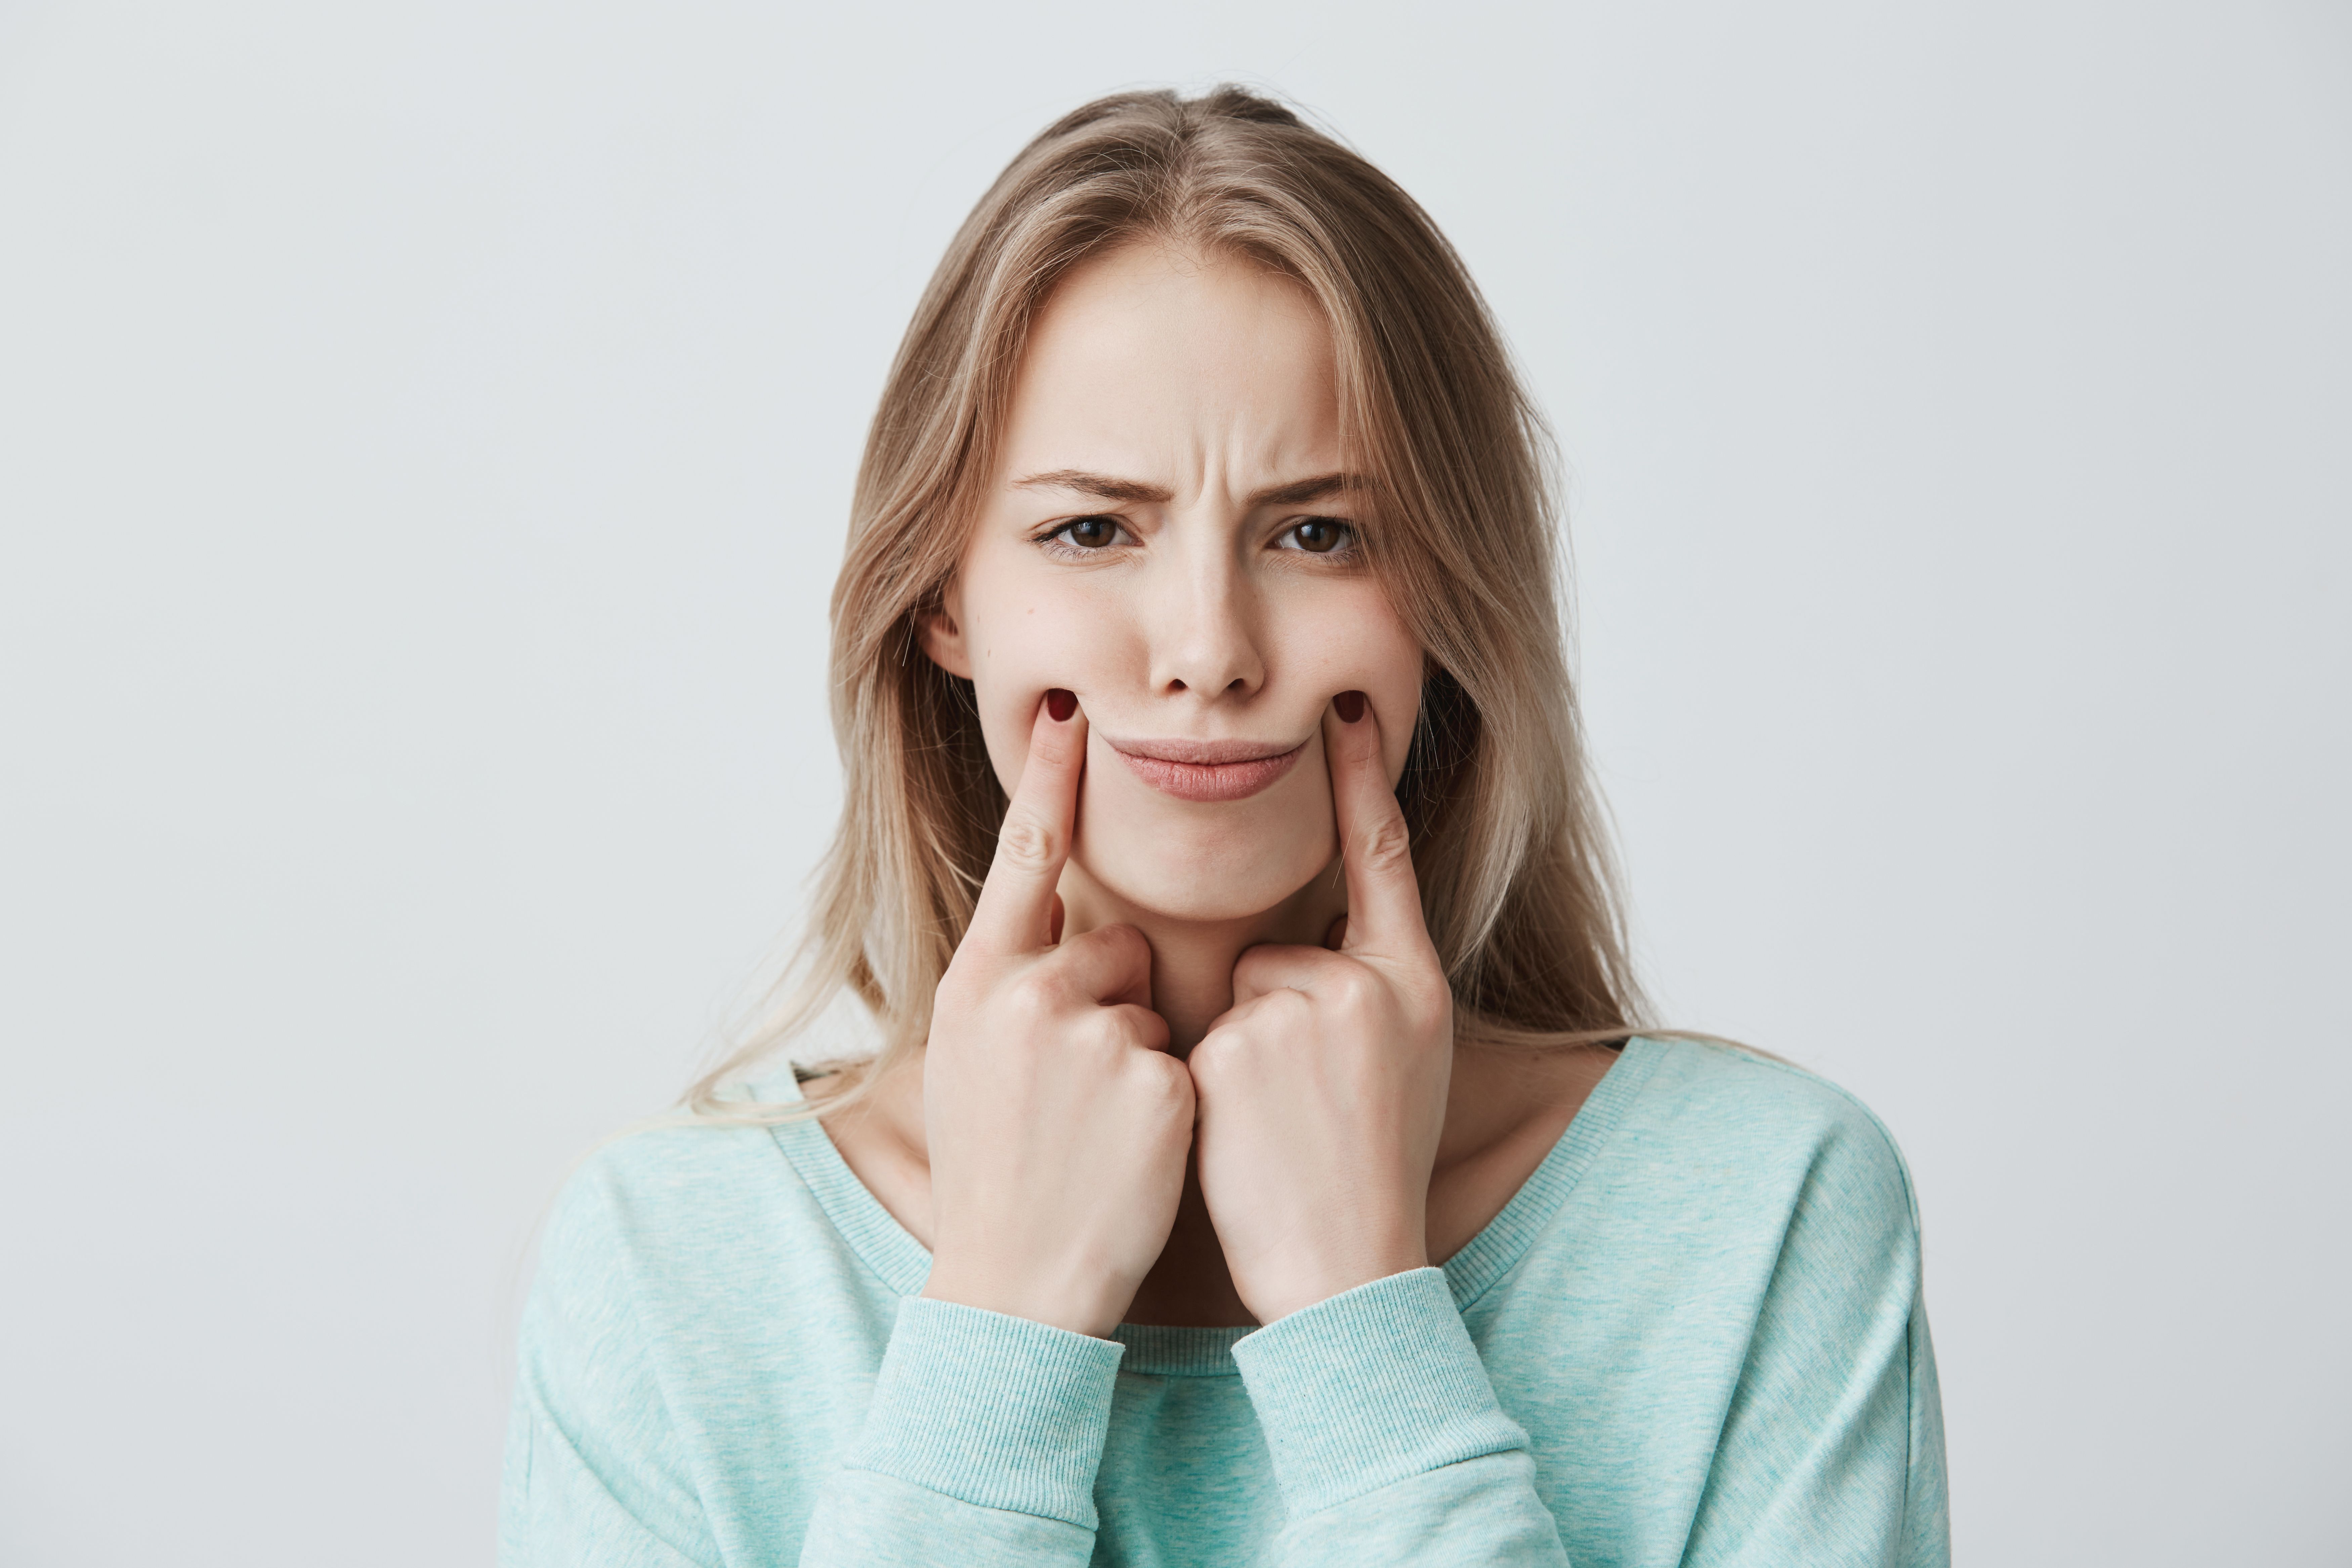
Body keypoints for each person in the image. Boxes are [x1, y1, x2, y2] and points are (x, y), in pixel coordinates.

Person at [500, 86, 1949, 1566]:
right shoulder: (670, 1262)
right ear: (943, 597)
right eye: (1092, 530)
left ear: (1446, 597)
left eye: (1317, 532)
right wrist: (997, 1329)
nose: (1207, 649)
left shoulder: (1765, 1214)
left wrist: (1360, 1323)